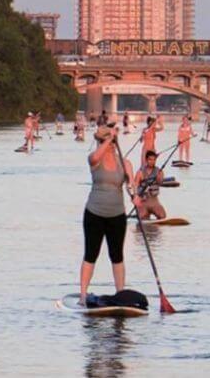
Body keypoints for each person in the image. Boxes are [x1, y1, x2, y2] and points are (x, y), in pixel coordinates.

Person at [79, 124, 138, 306]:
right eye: (105, 141)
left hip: (117, 214)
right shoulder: (94, 159)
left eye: (112, 141)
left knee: (117, 255)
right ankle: (83, 295)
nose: (110, 144)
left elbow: (131, 185)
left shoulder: (125, 162)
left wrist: (134, 194)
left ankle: (120, 294)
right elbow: (96, 156)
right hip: (94, 213)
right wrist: (108, 140)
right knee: (91, 254)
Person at [134, 151, 166, 220]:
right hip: (143, 202)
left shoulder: (159, 171)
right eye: (150, 159)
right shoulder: (140, 172)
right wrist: (136, 198)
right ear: (146, 160)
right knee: (142, 217)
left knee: (162, 216)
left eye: (154, 160)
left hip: (154, 201)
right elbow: (135, 186)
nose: (152, 162)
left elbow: (160, 182)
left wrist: (158, 177)